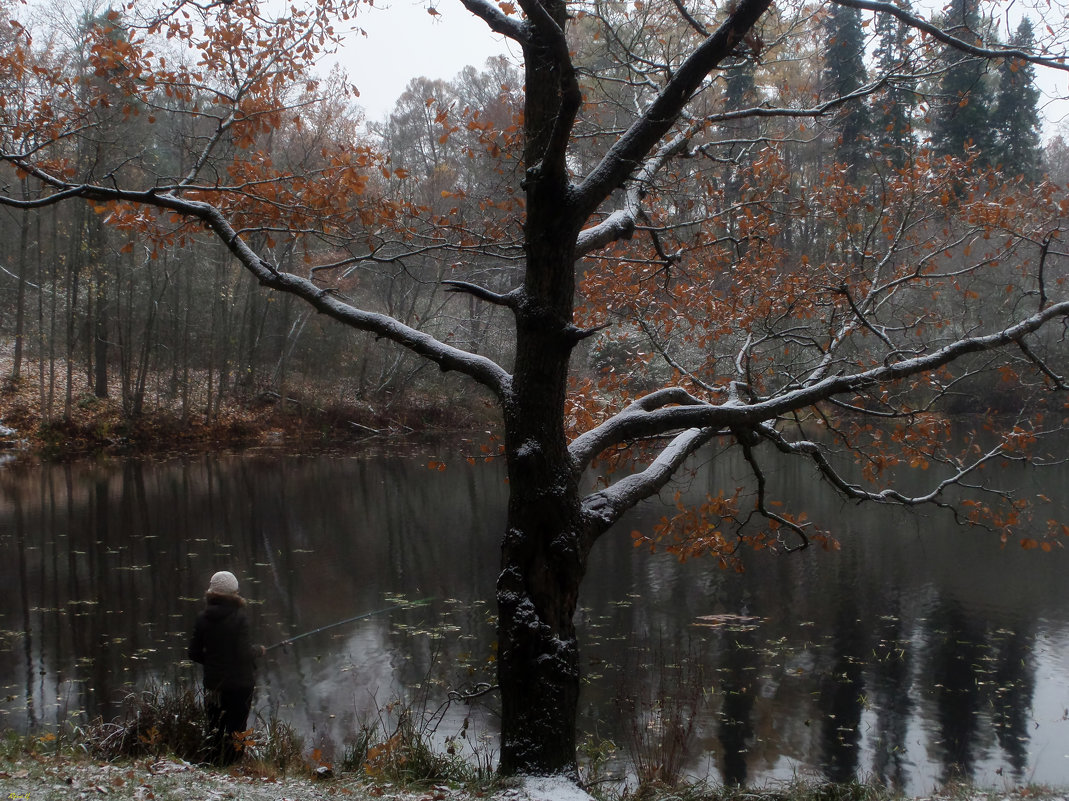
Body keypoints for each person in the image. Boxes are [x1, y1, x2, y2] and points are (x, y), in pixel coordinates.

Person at [188, 570, 265, 765]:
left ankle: (214, 762)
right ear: (234, 592)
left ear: (211, 593)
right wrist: (259, 650)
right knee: (237, 727)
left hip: (215, 683)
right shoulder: (240, 619)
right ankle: (234, 764)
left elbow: (194, 653)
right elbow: (244, 653)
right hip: (241, 684)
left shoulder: (202, 618)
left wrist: (214, 662)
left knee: (215, 726)